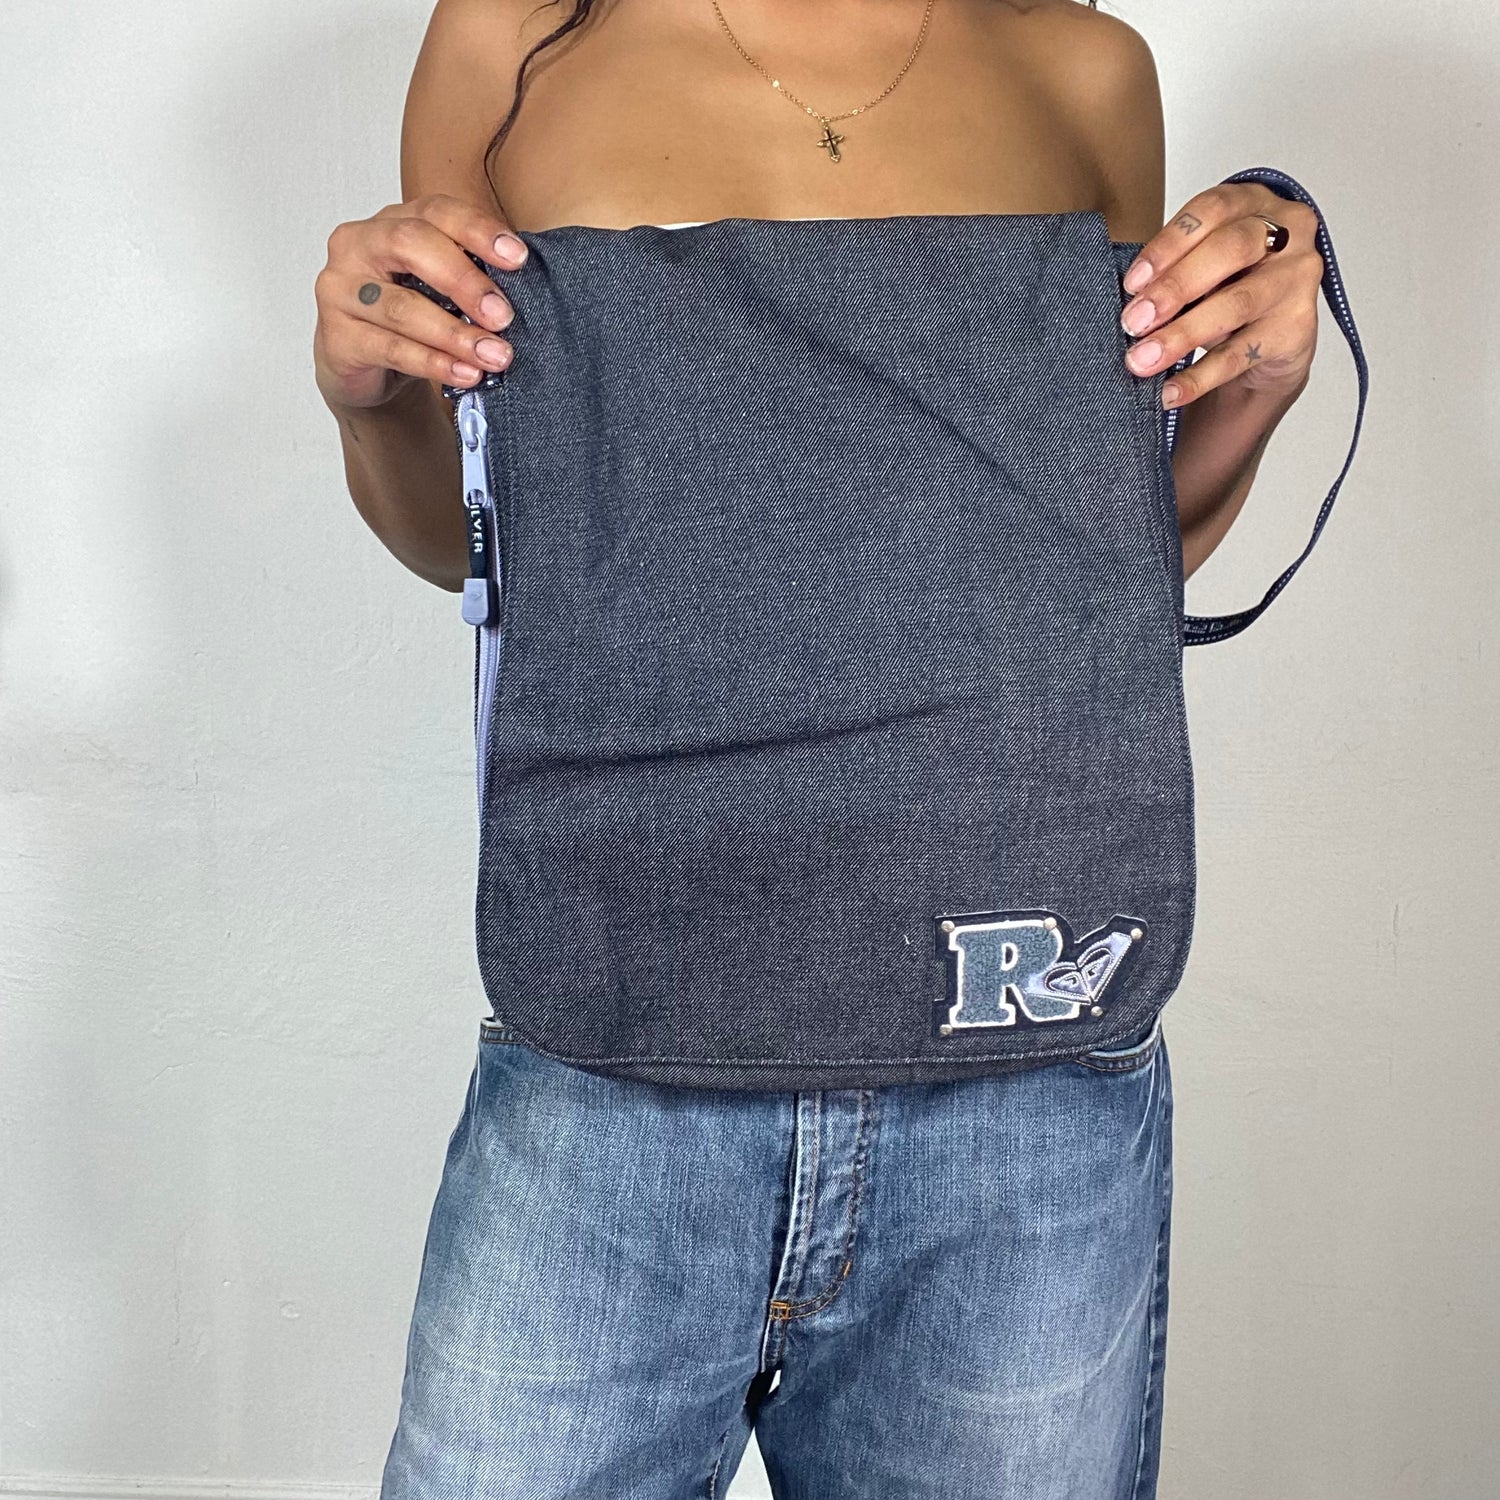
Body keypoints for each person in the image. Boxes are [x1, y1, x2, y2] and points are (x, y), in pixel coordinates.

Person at [312, 2, 1329, 1495]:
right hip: (619, 1030)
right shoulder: (509, 41)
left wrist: (1254, 387)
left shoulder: (1084, 64)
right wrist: (370, 398)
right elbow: (480, 544)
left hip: (1016, 1080)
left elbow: (1096, 565)